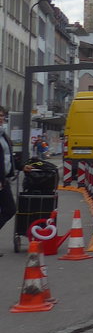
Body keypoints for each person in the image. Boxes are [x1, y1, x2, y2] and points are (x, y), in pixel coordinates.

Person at [0, 107, 17, 255]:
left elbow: (7, 157)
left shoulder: (3, 135)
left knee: (9, 209)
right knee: (9, 209)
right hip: (0, 180)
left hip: (4, 179)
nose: (1, 118)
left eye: (2, 115)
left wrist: (23, 167)